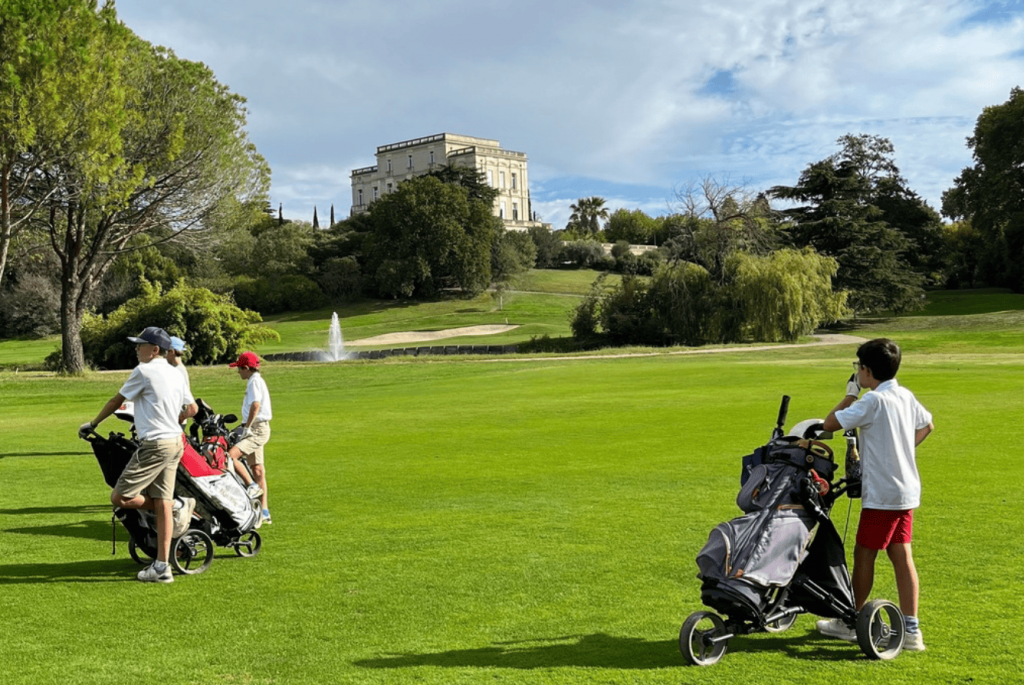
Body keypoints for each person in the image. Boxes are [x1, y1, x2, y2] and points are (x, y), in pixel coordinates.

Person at [816, 338, 934, 651]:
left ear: (867, 372)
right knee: (900, 554)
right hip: (906, 490)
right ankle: (911, 629)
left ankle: (851, 620)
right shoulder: (904, 395)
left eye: (859, 369)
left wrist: (849, 395)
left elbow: (829, 424)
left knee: (864, 553)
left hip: (882, 493)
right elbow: (927, 426)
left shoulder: (871, 401)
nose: (857, 373)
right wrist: (903, 451)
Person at [79, 326, 199, 583]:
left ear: (155, 350)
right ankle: (162, 567)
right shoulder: (177, 372)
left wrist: (93, 424)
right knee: (162, 502)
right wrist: (172, 420)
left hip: (155, 445)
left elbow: (116, 401)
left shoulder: (143, 371)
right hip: (175, 441)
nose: (136, 349)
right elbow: (192, 407)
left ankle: (179, 505)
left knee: (120, 496)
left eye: (140, 345)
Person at [227, 351, 273, 525]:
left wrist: (246, 428)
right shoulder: (256, 381)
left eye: (239, 368)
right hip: (255, 427)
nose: (238, 371)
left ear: (246, 368)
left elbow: (256, 405)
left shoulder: (254, 382)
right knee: (258, 470)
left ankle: (251, 486)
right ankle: (264, 511)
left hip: (256, 429)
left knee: (231, 456)